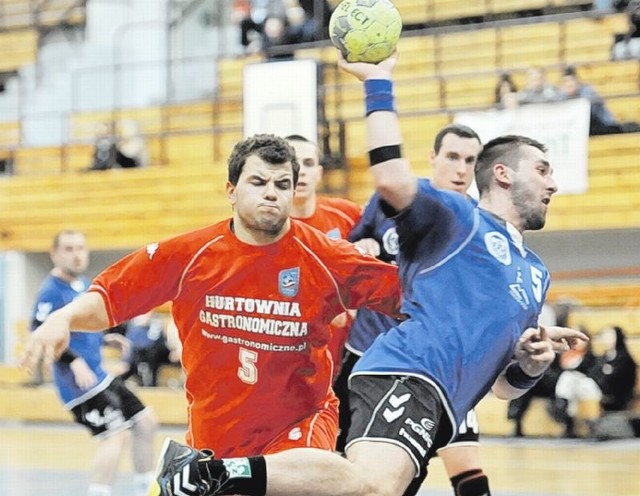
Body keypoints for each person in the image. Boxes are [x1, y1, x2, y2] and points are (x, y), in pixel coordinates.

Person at [144, 51, 589, 496]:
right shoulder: (461, 217)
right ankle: (209, 473)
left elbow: (503, 389)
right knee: (372, 485)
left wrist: (530, 364)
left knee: (363, 489)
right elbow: (393, 179)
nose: (553, 184)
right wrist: (378, 81)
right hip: (408, 371)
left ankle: (212, 473)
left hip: (445, 406)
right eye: (543, 170)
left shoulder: (535, 274)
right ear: (503, 174)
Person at [21, 134, 401, 487]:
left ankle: (214, 474)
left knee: (355, 485)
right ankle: (206, 473)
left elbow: (406, 298)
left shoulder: (327, 258)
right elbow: (110, 297)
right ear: (231, 192)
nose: (272, 194)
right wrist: (62, 318)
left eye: (282, 185)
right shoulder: (191, 255)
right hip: (216, 437)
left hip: (299, 422)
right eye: (258, 183)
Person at [337, 123, 492, 496]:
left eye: (470, 161)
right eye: (453, 157)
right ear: (433, 158)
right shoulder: (392, 200)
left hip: (434, 363)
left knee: (458, 465)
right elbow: (352, 249)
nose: (461, 169)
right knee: (355, 465)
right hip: (368, 356)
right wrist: (366, 248)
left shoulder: (478, 225)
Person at [29, 230, 158, 496]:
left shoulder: (85, 285)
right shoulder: (51, 292)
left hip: (99, 376)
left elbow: (81, 327)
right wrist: (74, 361)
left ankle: (146, 489)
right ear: (55, 254)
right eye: (69, 249)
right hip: (78, 384)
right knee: (116, 435)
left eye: (80, 248)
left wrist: (105, 339)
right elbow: (40, 332)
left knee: (146, 422)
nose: (76, 255)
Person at [286, 134, 362, 368]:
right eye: (293, 163)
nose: (302, 171)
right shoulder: (261, 228)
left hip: (347, 356)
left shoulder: (347, 215)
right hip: (290, 360)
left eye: (308, 163)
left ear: (319, 173)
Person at [559, 65, 640, 135]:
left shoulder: (587, 90)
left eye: (571, 81)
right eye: (565, 81)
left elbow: (590, 112)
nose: (569, 84)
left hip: (603, 124)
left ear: (577, 81)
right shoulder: (562, 94)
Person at [116, 311, 181, 387]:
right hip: (137, 354)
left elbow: (154, 340)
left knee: (149, 354)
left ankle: (149, 383)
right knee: (135, 356)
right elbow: (129, 342)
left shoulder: (155, 322)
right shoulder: (133, 324)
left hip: (156, 353)